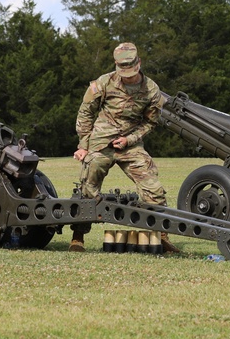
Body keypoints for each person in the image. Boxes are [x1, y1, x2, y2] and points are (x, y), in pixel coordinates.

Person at [70, 42, 178, 253]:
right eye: (123, 71)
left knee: (153, 189)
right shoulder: (104, 82)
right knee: (88, 186)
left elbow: (150, 123)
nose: (127, 76)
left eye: (131, 71)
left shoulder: (151, 89)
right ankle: (77, 238)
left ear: (139, 63)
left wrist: (130, 139)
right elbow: (85, 112)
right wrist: (83, 145)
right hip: (101, 142)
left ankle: (161, 237)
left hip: (130, 144)